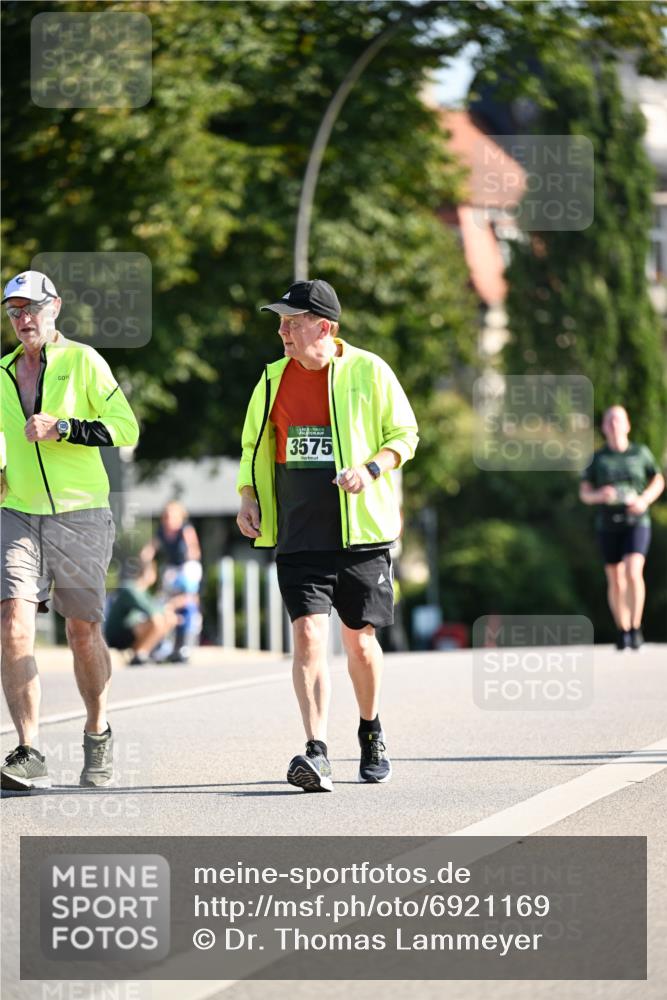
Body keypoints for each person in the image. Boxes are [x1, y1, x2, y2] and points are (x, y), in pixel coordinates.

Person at [236, 279, 418, 792]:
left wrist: (371, 470)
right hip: (299, 532)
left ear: (325, 328)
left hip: (361, 534)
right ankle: (316, 750)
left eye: (292, 323)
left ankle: (371, 730)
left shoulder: (369, 371)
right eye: (280, 323)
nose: (282, 332)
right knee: (309, 635)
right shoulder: (270, 380)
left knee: (360, 641)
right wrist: (248, 495)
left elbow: (405, 434)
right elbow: (252, 446)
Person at [0, 269, 139, 790]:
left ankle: (97, 730)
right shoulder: (2, 372)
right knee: (13, 622)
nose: (23, 319)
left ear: (54, 307)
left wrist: (63, 427)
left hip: (81, 513)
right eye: (14, 311)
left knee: (82, 632)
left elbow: (125, 427)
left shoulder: (83, 361)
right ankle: (29, 749)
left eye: (32, 308)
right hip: (18, 512)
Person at [579, 405, 664, 651]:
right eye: (610, 421)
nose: (614, 424)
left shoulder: (640, 453)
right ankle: (622, 629)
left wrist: (644, 500)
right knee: (615, 578)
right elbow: (585, 493)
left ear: (627, 425)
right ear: (604, 427)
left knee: (633, 571)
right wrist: (599, 495)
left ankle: (636, 629)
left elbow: (657, 480)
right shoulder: (598, 459)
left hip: (636, 521)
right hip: (608, 524)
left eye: (618, 420)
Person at [142, 500, 202, 662]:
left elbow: (194, 551)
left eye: (172, 516)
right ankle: (162, 644)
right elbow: (150, 550)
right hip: (172, 570)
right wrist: (146, 561)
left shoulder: (185, 530)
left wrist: (185, 573)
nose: (168, 520)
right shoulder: (161, 531)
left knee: (186, 601)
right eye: (166, 516)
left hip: (186, 567)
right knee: (163, 603)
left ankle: (185, 643)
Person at [104, 558, 186, 665]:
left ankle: (151, 651)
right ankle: (140, 653)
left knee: (170, 618)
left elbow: (155, 608)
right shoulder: (130, 589)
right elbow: (151, 610)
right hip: (118, 636)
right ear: (148, 573)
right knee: (157, 620)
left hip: (131, 632)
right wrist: (170, 606)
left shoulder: (143, 592)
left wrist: (169, 611)